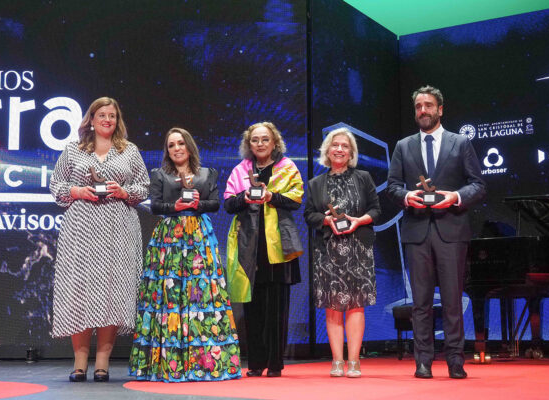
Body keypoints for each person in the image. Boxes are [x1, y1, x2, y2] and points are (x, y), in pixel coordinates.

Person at [386, 85, 486, 379]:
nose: (423, 111)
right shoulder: (403, 146)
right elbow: (392, 186)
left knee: (453, 300)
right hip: (416, 231)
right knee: (421, 303)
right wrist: (406, 196)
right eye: (418, 106)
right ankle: (423, 362)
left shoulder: (460, 143)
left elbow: (478, 185)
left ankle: (456, 360)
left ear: (440, 109)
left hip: (452, 230)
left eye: (428, 105)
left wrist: (455, 196)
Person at [128, 127, 241, 382]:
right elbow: (155, 205)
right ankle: (167, 365)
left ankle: (206, 364)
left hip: (199, 237)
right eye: (171, 145)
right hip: (169, 238)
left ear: (189, 146)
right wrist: (174, 207)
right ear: (167, 150)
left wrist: (197, 204)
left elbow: (214, 204)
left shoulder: (206, 173)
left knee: (201, 296)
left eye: (180, 143)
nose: (176, 148)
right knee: (168, 296)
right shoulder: (159, 174)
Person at [50, 96, 150, 382]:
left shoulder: (129, 150)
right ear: (91, 119)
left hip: (119, 228)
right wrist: (77, 191)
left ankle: (103, 363)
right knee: (80, 290)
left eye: (113, 116)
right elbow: (56, 185)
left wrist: (123, 191)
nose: (108, 120)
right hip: (81, 230)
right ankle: (79, 363)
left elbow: (143, 187)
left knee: (113, 291)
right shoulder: (72, 150)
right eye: (102, 115)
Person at [224, 121, 304, 378]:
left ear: (275, 142)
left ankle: (276, 363)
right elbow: (228, 203)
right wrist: (245, 197)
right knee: (253, 306)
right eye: (255, 140)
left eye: (264, 139)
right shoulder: (241, 170)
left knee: (277, 308)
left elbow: (296, 199)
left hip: (279, 245)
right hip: (249, 245)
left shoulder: (287, 167)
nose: (260, 144)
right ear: (249, 144)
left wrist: (271, 197)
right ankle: (256, 363)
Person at [304, 128, 380, 378]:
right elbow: (309, 215)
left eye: (345, 146)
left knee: (356, 306)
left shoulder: (364, 178)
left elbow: (376, 210)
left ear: (351, 152)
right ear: (327, 150)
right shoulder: (316, 184)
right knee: (332, 307)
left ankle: (354, 361)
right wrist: (325, 221)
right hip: (328, 252)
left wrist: (359, 220)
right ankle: (337, 361)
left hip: (358, 248)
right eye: (334, 145)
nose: (339, 149)